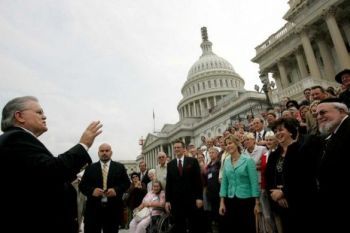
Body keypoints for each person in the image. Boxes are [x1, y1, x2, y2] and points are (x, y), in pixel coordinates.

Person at [0, 96, 102, 233]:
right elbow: (52, 171)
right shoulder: (16, 138)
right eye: (39, 112)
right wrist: (83, 145)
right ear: (19, 116)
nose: (44, 116)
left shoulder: (19, 140)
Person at [79, 143, 130, 233]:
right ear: (98, 153)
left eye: (107, 151)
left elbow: (126, 184)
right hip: (93, 210)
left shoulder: (119, 167)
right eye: (102, 151)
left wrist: (116, 190)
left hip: (113, 210)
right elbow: (82, 185)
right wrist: (92, 191)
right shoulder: (90, 168)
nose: (104, 153)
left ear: (111, 153)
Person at [316, 98, 350, 232]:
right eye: (317, 115)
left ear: (341, 111)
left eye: (323, 113)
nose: (319, 117)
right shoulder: (335, 134)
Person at [219, 135, 260, 233]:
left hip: (246, 200)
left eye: (230, 143)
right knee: (233, 228)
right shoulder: (226, 162)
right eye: (226, 144)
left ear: (237, 144)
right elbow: (224, 183)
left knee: (247, 228)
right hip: (230, 200)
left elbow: (254, 183)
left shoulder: (248, 160)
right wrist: (222, 202)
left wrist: (257, 203)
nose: (228, 146)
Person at [165, 140, 204, 233]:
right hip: (176, 201)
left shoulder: (193, 161)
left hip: (191, 199)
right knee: (179, 225)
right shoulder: (170, 164)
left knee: (193, 224)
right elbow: (169, 184)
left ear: (184, 149)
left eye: (178, 147)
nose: (176, 149)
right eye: (175, 148)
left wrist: (199, 197)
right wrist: (167, 200)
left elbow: (198, 181)